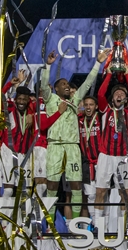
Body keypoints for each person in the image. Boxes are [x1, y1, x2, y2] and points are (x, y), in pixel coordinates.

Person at [39, 49, 107, 221]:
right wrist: (47, 65)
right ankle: (49, 223)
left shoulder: (75, 101)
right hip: (54, 145)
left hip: (72, 146)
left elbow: (87, 82)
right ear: (55, 88)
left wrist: (98, 63)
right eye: (63, 84)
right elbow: (43, 84)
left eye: (68, 85)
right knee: (52, 186)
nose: (67, 86)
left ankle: (76, 225)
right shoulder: (50, 99)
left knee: (77, 186)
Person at [93, 78, 128, 231]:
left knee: (124, 193)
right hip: (106, 155)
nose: (119, 95)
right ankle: (97, 226)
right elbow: (100, 94)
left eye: (123, 93)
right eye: (117, 93)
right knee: (101, 190)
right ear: (113, 97)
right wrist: (108, 74)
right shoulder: (105, 109)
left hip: (124, 157)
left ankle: (124, 227)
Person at [77, 96, 101, 220]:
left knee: (102, 194)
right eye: (86, 104)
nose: (88, 107)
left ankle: (105, 224)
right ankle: (96, 224)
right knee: (90, 195)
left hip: (101, 162)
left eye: (91, 104)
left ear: (96, 106)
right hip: (86, 163)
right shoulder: (79, 120)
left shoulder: (101, 118)